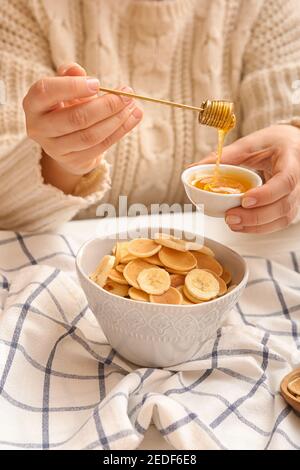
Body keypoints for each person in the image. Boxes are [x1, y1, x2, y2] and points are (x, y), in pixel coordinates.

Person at [0, 0, 300, 233]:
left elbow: (289, 118)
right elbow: (7, 209)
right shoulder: (25, 7)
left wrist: (293, 139)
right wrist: (60, 163)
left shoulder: (268, 7)